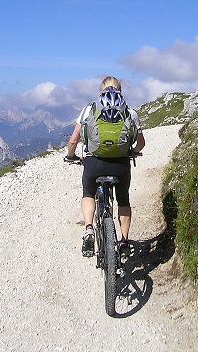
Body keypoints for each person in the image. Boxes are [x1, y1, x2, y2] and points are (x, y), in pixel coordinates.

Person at [65, 76, 145, 257]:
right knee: (123, 201)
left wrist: (71, 156)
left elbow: (73, 140)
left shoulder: (89, 110)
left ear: (100, 92)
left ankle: (88, 229)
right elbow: (141, 143)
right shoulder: (130, 112)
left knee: (88, 193)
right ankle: (124, 242)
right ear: (121, 91)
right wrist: (132, 151)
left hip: (94, 163)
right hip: (121, 165)